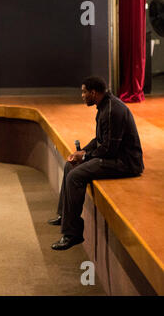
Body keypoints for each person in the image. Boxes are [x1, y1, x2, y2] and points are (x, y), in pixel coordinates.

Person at [49, 76, 144, 250]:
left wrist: (85, 158)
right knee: (70, 165)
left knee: (75, 176)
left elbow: (109, 150)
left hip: (125, 163)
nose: (82, 96)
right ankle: (65, 216)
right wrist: (81, 152)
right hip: (113, 157)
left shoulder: (112, 111)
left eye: (84, 92)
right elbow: (99, 139)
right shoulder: (104, 106)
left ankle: (73, 234)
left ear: (93, 93)